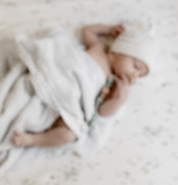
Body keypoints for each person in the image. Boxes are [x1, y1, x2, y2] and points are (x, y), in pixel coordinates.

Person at [11, 23, 150, 148]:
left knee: (69, 134)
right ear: (119, 52)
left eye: (139, 76)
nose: (134, 75)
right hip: (59, 79)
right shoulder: (99, 47)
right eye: (135, 66)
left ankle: (33, 139)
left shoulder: (113, 82)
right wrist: (108, 30)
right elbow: (88, 31)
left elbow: (102, 112)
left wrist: (120, 97)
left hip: (70, 103)